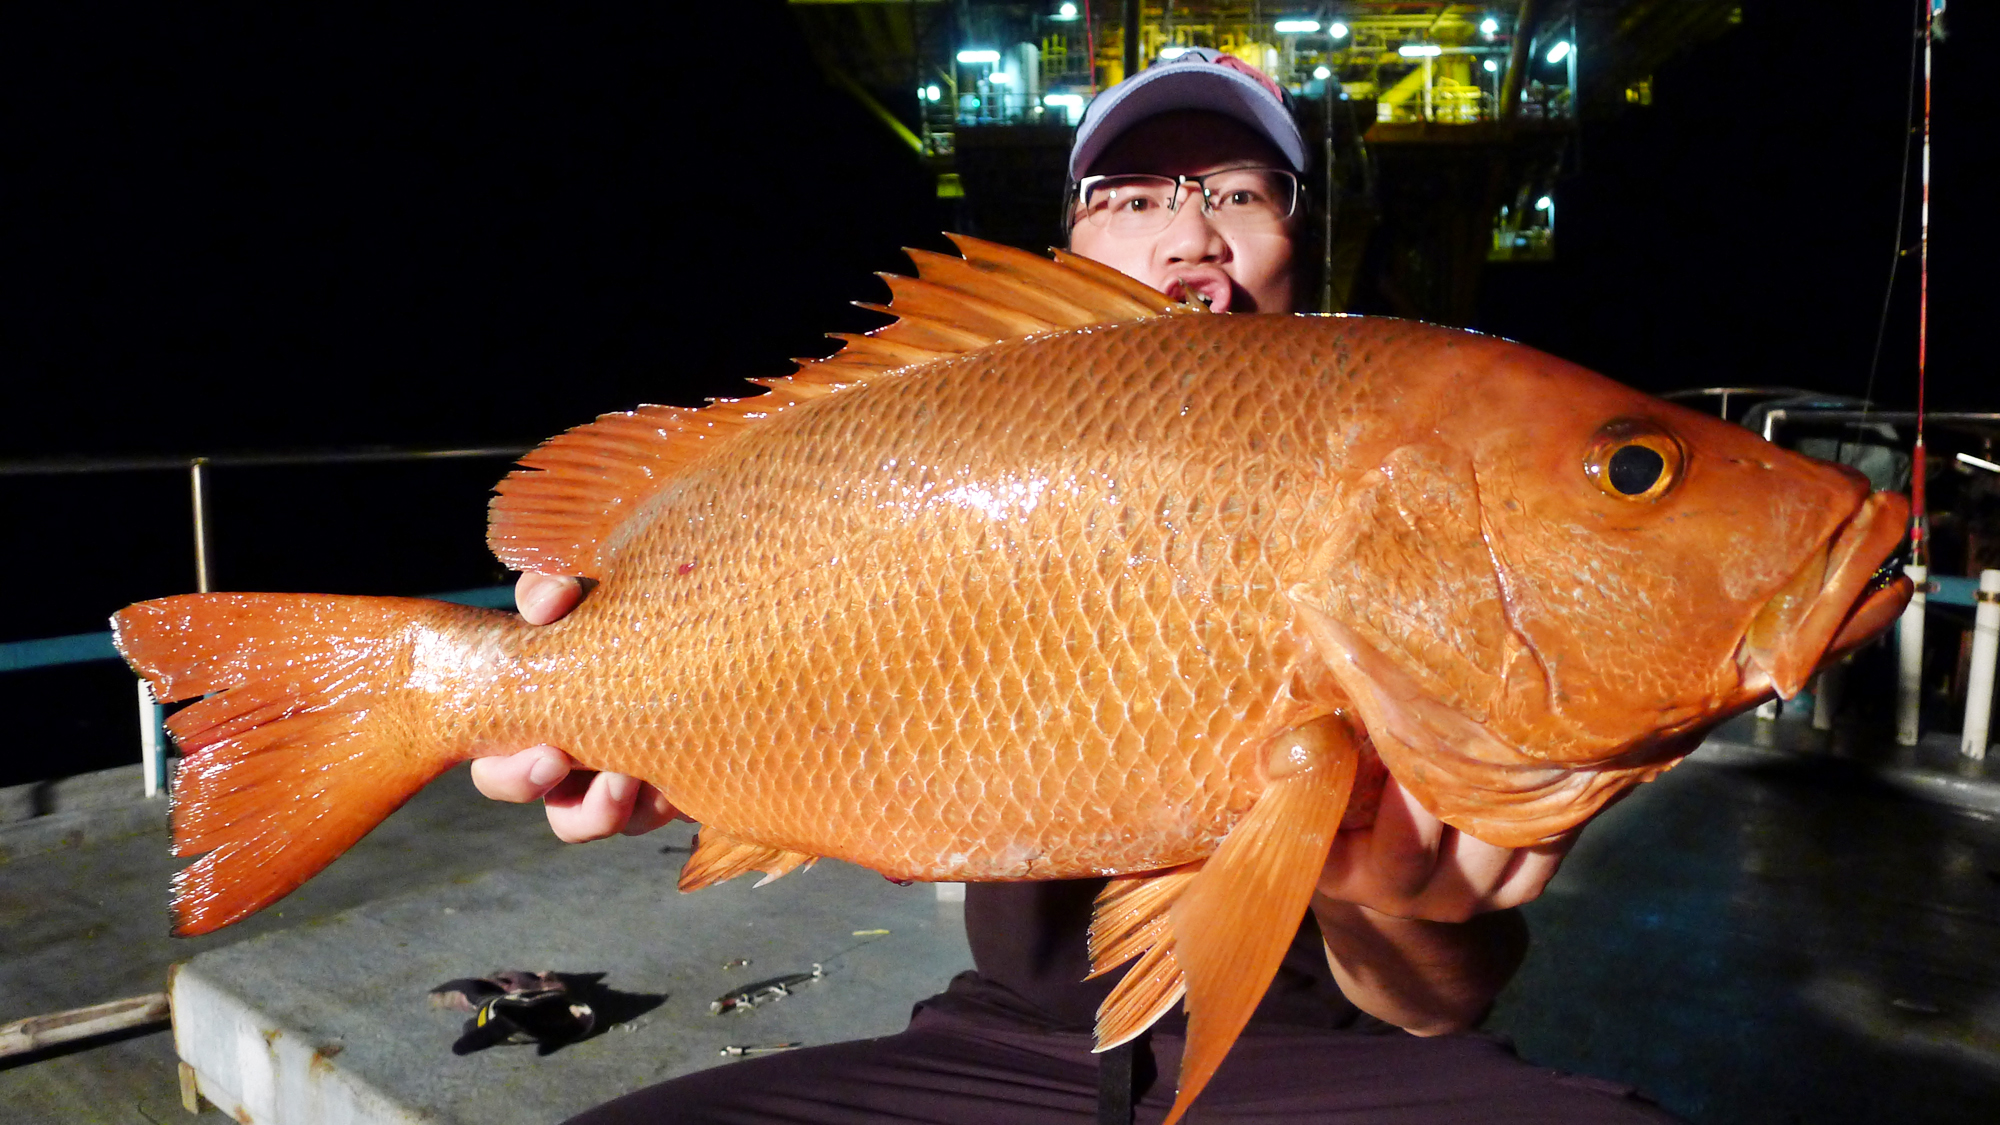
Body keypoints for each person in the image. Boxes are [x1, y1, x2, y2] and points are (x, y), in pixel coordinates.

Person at [473, 48, 1679, 1124]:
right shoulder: (959, 441)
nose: (1190, 233)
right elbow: (835, 677)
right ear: (1072, 249)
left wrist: (1390, 902)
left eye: (1239, 194)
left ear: (1295, 244)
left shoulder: (1411, 479)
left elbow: (1432, 1005)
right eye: (1136, 196)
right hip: (1004, 1041)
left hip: (1319, 1065)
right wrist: (646, 724)